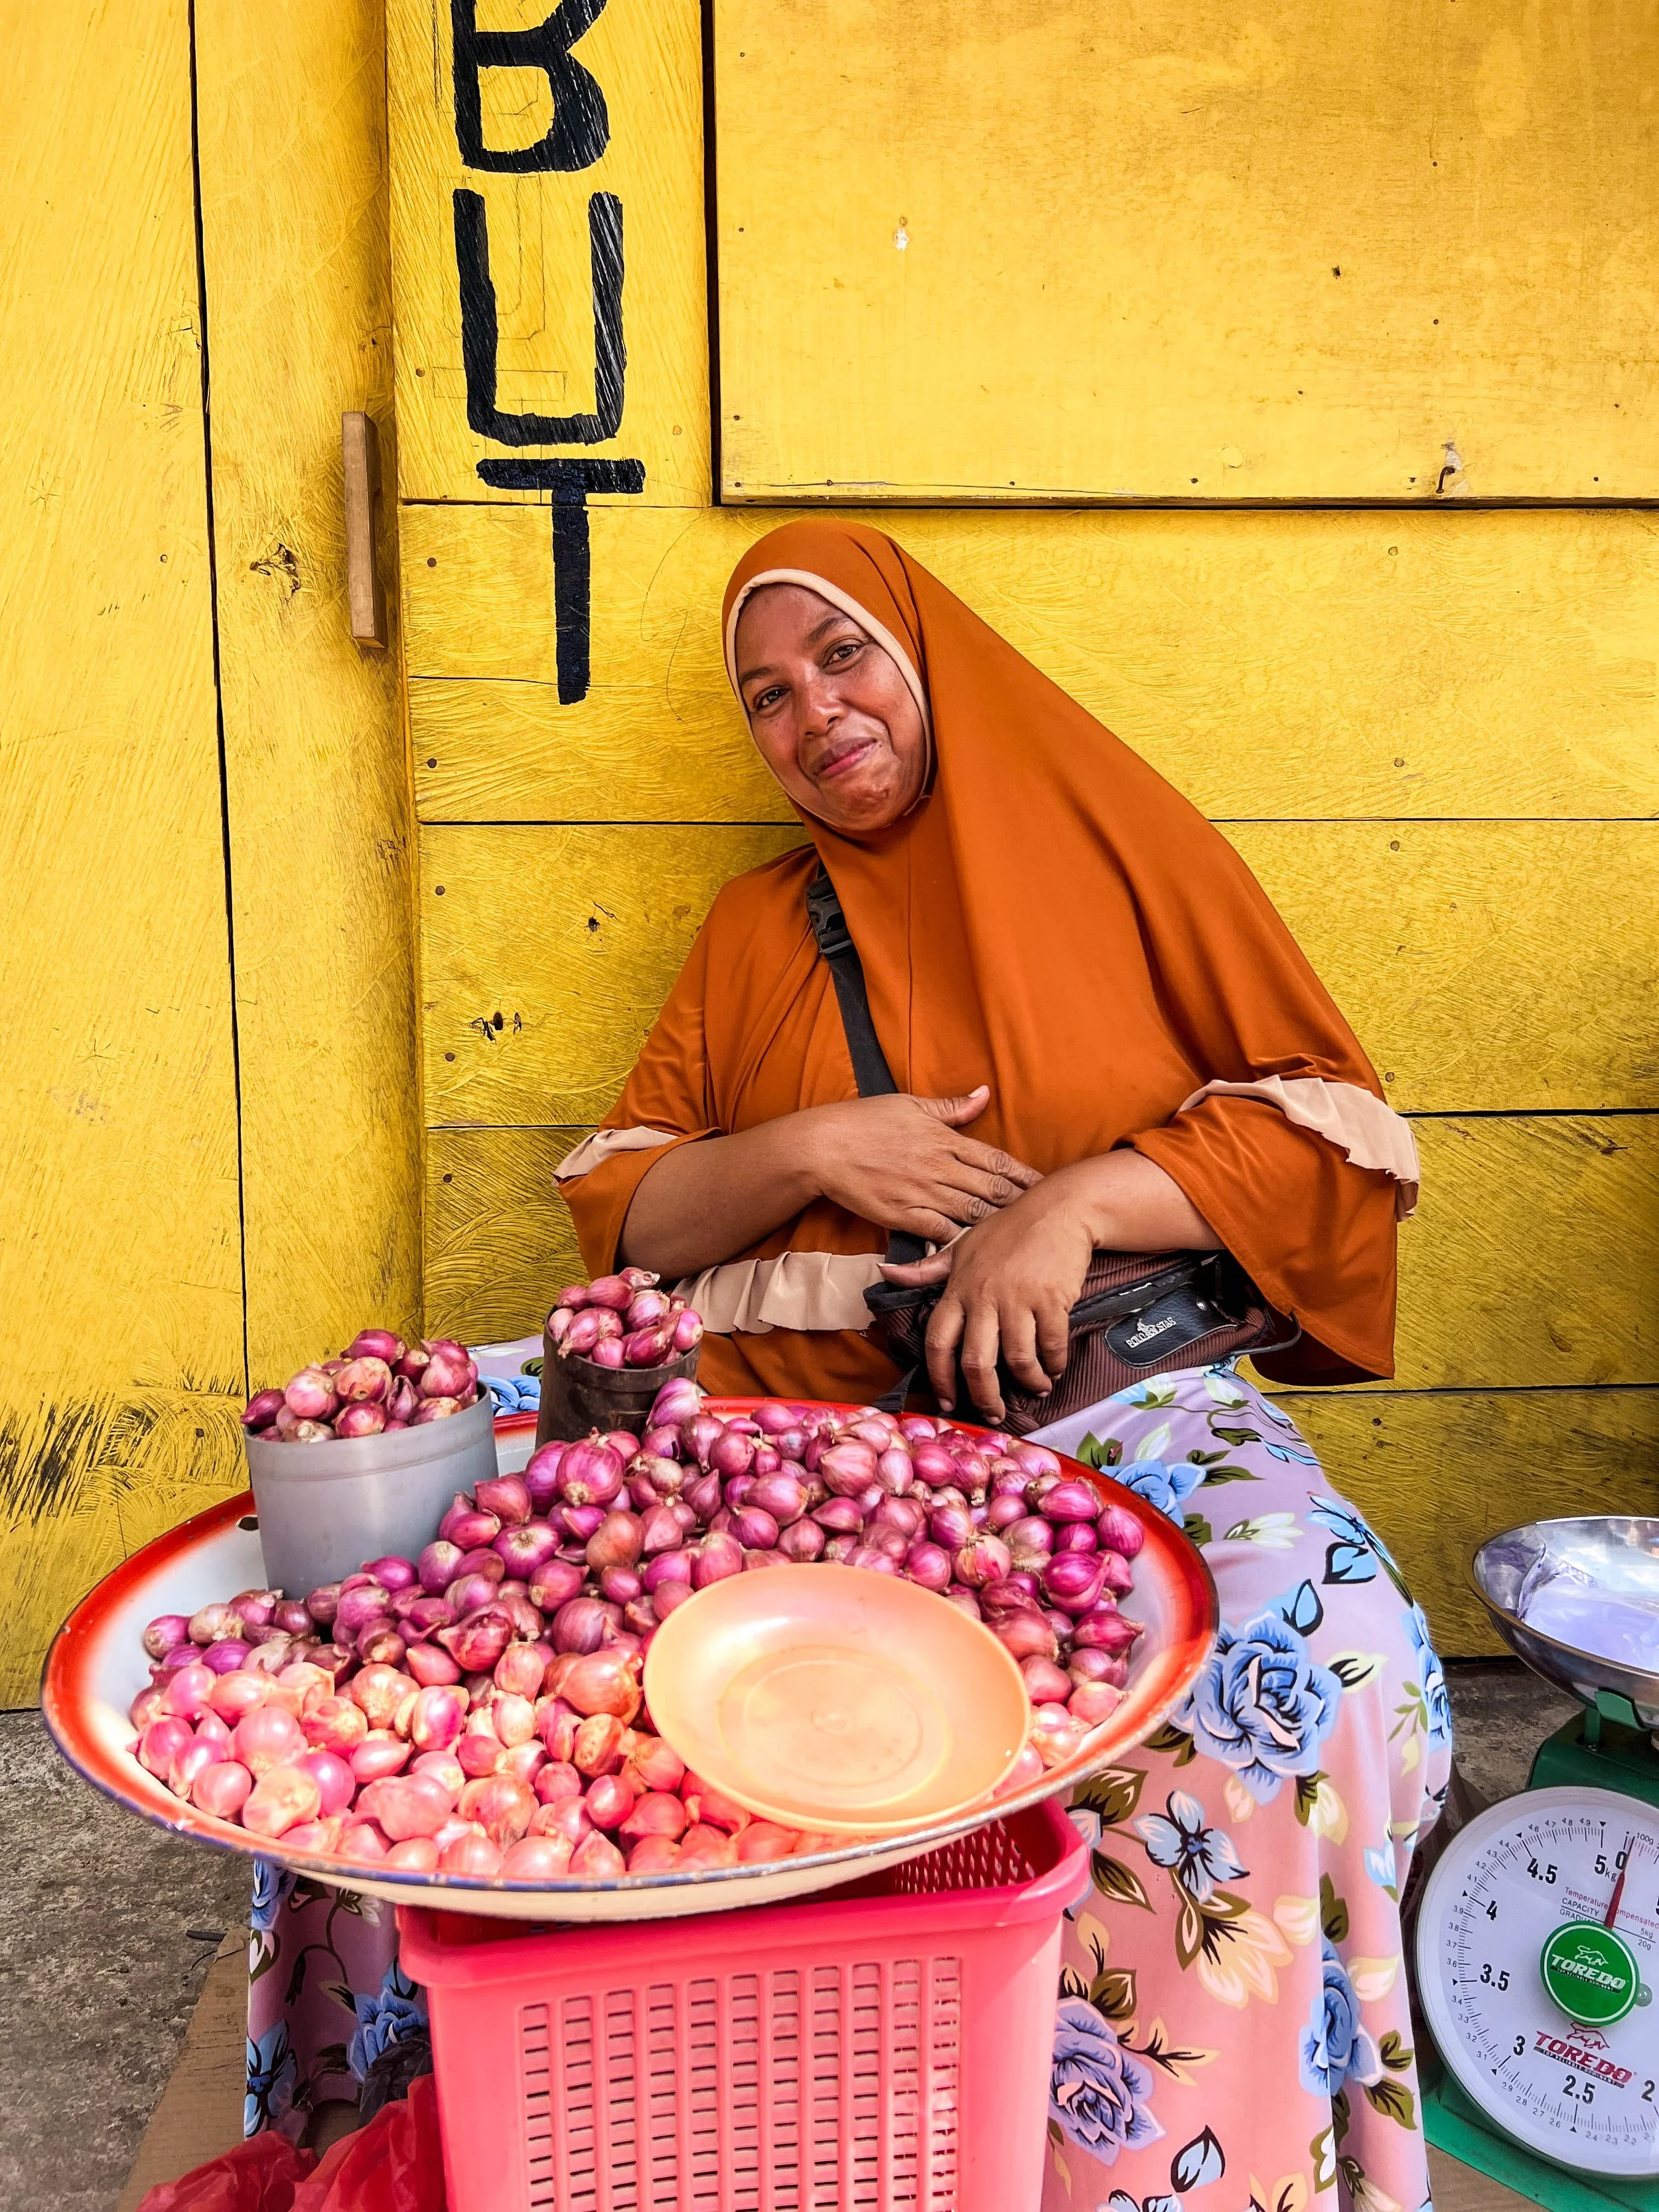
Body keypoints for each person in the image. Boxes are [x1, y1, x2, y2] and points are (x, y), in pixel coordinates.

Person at [561, 518, 1451, 2212]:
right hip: (818, 1435)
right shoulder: (756, 929)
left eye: (840, 656)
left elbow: (1327, 1130)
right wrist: (829, 1140)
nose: (811, 711)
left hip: (1120, 1405)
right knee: (742, 1725)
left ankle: (1207, 2168)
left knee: (1311, 1655)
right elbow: (632, 1212)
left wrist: (1072, 1206)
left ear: (921, 651)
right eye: (765, 694)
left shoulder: (1119, 848)